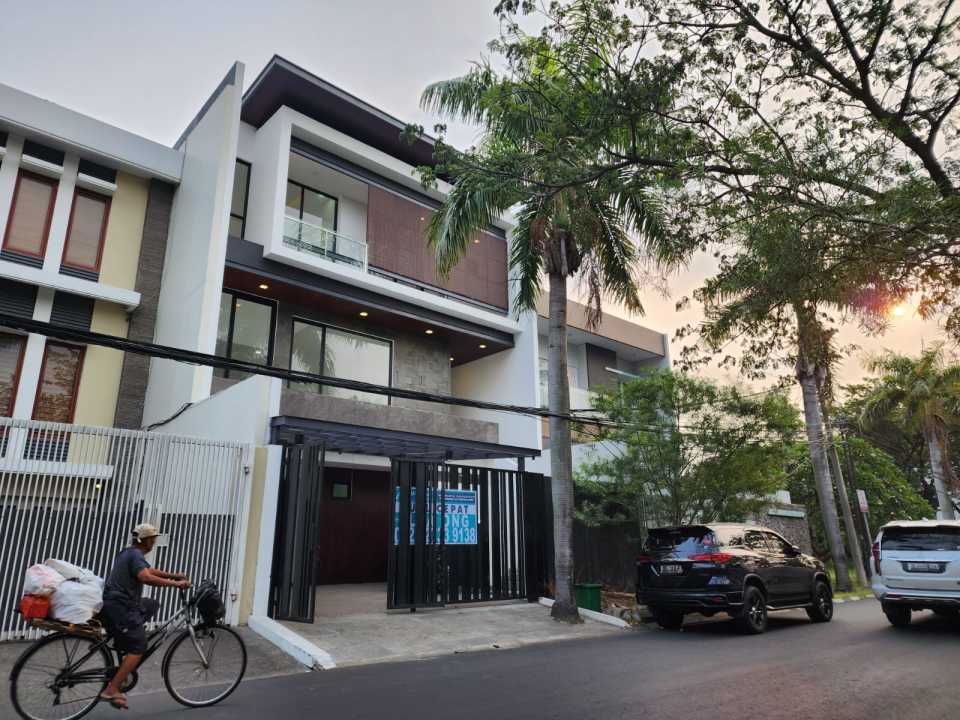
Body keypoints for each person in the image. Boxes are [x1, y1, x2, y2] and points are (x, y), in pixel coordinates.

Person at [98, 523, 190, 710]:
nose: (154, 542)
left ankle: (126, 640)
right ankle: (112, 689)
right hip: (120, 606)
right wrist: (176, 585)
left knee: (151, 604)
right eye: (153, 539)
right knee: (139, 647)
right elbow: (146, 577)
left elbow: (149, 571)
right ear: (146, 540)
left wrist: (174, 576)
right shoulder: (135, 555)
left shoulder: (129, 553)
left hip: (118, 604)